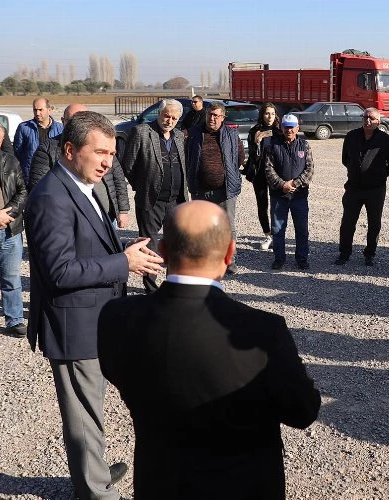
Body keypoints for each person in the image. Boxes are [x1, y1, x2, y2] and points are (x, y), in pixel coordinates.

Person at [97, 200, 321, 499]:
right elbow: (302, 411)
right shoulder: (264, 331)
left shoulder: (116, 317)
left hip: (160, 483)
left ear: (162, 251)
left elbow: (116, 373)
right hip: (245, 487)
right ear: (230, 253)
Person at [25, 111, 164, 499]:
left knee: (92, 410)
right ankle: (96, 491)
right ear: (70, 150)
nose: (108, 162)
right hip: (74, 327)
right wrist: (123, 264)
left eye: (112, 154)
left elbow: (85, 245)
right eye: (100, 152)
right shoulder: (51, 197)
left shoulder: (83, 185)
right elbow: (59, 271)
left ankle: (94, 474)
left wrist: (124, 249)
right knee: (84, 419)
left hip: (94, 322)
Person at [122, 98, 189, 293]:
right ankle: (151, 289)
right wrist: (143, 186)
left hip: (176, 201)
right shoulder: (142, 132)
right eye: (166, 116)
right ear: (159, 114)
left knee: (176, 245)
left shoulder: (179, 136)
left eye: (174, 118)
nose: (170, 121)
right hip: (151, 201)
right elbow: (128, 165)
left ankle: (172, 286)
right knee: (149, 246)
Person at [29, 104, 130, 229]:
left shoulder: (103, 147)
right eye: (73, 120)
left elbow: (118, 179)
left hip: (106, 216)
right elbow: (40, 188)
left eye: (84, 120)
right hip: (72, 221)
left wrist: (123, 210)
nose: (79, 125)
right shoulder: (48, 149)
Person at [186, 101, 245, 274]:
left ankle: (229, 261)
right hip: (200, 190)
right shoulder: (195, 133)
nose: (212, 118)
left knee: (227, 226)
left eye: (216, 116)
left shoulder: (231, 134)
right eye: (210, 114)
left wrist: (226, 173)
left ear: (223, 117)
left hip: (225, 190)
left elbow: (239, 158)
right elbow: (188, 157)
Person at [334, 107, 389, 266]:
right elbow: (345, 159)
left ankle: (370, 253)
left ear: (378, 121)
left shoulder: (385, 140)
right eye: (365, 117)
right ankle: (344, 253)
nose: (367, 121)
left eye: (371, 118)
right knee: (348, 221)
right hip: (353, 187)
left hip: (375, 189)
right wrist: (355, 171)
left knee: (374, 223)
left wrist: (380, 175)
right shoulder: (351, 136)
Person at [0, 121, 27, 343]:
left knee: (12, 279)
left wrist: (2, 218)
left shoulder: (10, 160)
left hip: (10, 231)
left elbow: (22, 192)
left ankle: (15, 320)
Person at [264, 113, 314, 271]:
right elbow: (268, 169)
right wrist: (282, 185)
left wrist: (295, 183)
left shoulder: (304, 145)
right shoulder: (273, 145)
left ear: (297, 128)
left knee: (302, 230)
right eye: (286, 127)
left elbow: (310, 169)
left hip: (299, 196)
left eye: (292, 127)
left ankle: (302, 259)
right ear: (281, 127)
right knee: (278, 230)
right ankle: (279, 258)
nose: (289, 130)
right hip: (279, 196)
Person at [245, 103, 282, 250]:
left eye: (272, 113)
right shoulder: (254, 130)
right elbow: (252, 154)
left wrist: (267, 134)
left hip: (276, 174)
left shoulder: (280, 131)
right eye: (267, 113)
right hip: (259, 173)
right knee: (262, 205)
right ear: (262, 114)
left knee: (277, 205)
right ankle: (268, 235)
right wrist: (256, 142)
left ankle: (277, 234)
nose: (270, 116)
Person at [13, 97, 63, 184]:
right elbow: (17, 153)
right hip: (31, 178)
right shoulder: (24, 128)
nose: (37, 113)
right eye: (35, 110)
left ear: (49, 110)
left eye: (40, 110)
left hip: (54, 177)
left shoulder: (61, 129)